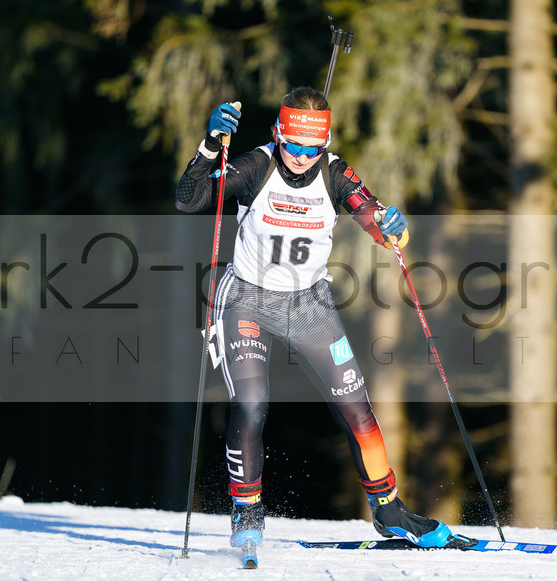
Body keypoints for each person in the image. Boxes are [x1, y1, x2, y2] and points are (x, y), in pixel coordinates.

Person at [175, 87, 473, 551]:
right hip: (247, 300)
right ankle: (246, 510)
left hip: (309, 304)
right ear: (279, 134)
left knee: (358, 410)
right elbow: (189, 201)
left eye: (312, 148)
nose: (301, 156)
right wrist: (211, 144)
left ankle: (389, 510)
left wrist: (393, 225)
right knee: (252, 404)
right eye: (293, 145)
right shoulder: (257, 165)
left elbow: (378, 222)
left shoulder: (334, 173)